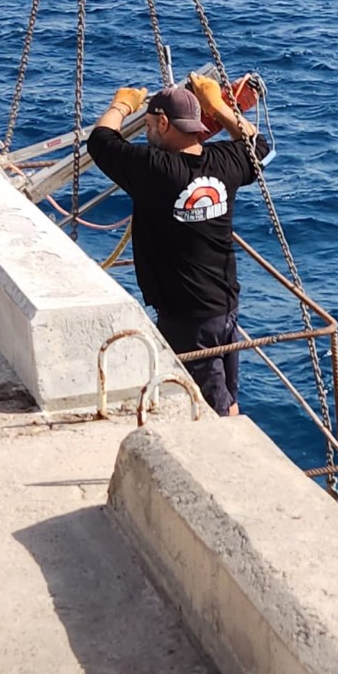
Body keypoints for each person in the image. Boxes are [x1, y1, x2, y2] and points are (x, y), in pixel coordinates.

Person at [87, 73, 270, 416]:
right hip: (225, 304)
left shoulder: (154, 169)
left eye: (149, 125)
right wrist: (218, 104)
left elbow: (100, 140)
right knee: (227, 397)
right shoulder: (226, 163)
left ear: (163, 122)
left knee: (216, 409)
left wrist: (121, 105)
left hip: (187, 316)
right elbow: (258, 146)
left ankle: (225, 463)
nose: (147, 133)